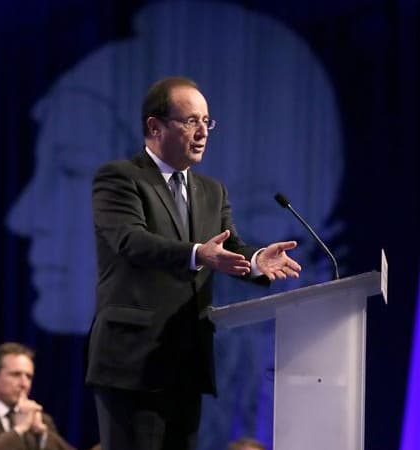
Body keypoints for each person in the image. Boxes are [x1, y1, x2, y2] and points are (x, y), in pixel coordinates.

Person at [86, 76, 302, 450]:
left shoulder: (212, 191)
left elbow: (228, 246)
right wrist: (197, 253)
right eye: (191, 121)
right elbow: (130, 241)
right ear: (155, 126)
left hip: (187, 363)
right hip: (132, 363)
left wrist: (253, 261)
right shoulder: (120, 178)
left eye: (207, 122)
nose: (202, 131)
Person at [0, 342, 75, 450]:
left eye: (29, 377)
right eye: (16, 375)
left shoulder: (42, 419)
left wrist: (42, 434)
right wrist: (20, 429)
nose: (24, 384)